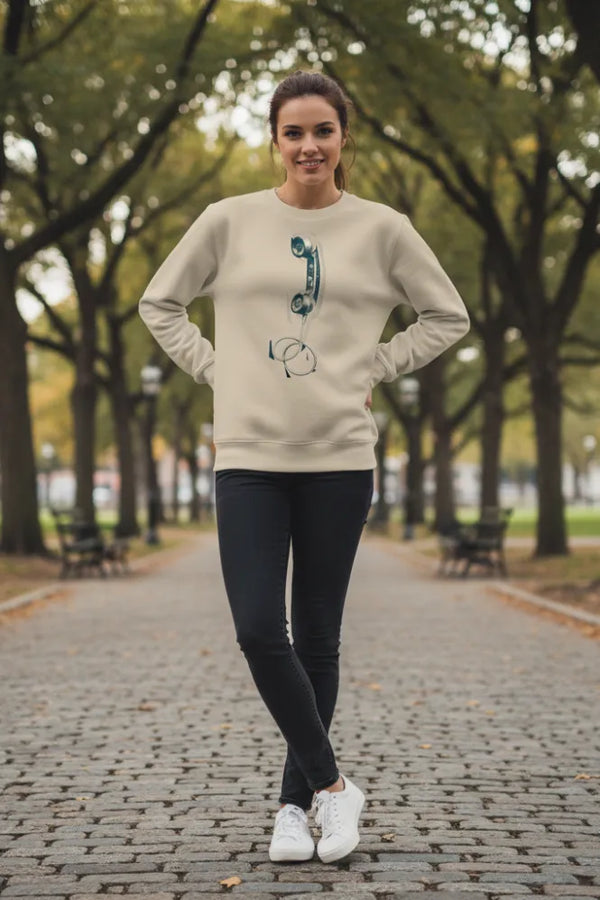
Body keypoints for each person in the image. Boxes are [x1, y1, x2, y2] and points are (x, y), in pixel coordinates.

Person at [138, 69, 470, 865]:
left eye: (323, 130)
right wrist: (221, 371)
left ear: (342, 137)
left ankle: (293, 808)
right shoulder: (228, 220)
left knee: (318, 636)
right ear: (275, 140)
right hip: (248, 456)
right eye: (294, 132)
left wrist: (375, 368)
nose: (309, 145)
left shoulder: (383, 229)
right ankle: (332, 789)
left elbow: (447, 315)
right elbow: (161, 304)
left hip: (338, 458)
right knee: (259, 628)